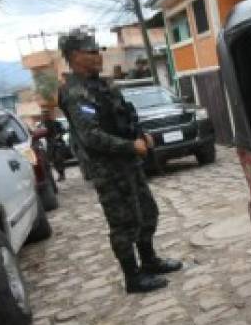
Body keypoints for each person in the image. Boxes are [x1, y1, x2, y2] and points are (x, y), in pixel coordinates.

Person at [57, 28, 182, 294]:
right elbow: (91, 136)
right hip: (108, 170)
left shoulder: (103, 85)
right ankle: (133, 278)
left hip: (128, 162)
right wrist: (130, 146)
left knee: (147, 212)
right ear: (75, 56)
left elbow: (122, 118)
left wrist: (140, 135)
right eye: (91, 52)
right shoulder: (75, 92)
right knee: (124, 224)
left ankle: (149, 261)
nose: (98, 56)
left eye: (98, 50)